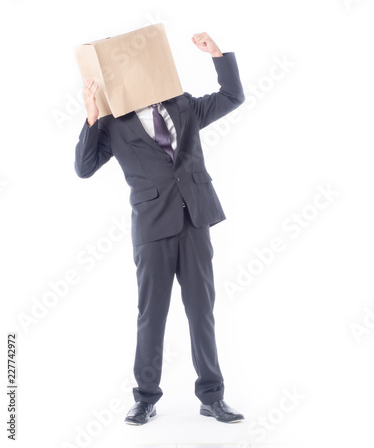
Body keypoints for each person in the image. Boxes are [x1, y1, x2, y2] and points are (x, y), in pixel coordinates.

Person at [74, 32, 245, 425]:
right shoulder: (113, 124)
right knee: (152, 314)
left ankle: (212, 396)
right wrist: (91, 117)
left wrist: (217, 55)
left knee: (202, 310)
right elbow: (83, 168)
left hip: (195, 218)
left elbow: (232, 96)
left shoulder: (182, 105)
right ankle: (146, 398)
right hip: (152, 226)